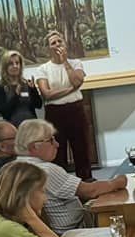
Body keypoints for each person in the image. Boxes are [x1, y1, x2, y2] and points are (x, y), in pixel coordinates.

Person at [15, 118, 124, 233]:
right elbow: (90, 191)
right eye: (51, 140)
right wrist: (117, 182)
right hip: (74, 232)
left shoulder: (14, 167)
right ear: (34, 147)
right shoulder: (46, 170)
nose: (57, 145)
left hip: (45, 233)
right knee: (120, 219)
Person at [34, 28, 96, 179]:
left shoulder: (76, 63)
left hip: (75, 109)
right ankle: (60, 181)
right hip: (55, 113)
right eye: (53, 43)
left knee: (81, 147)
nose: (57, 45)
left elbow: (77, 80)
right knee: (57, 150)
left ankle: (86, 180)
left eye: (59, 41)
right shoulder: (43, 69)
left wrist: (65, 63)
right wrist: (71, 88)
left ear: (65, 43)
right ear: (48, 48)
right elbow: (47, 94)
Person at [0, 52, 44, 128]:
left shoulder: (27, 83)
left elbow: (38, 105)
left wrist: (33, 90)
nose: (15, 66)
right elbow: (5, 113)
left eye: (17, 63)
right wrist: (16, 95)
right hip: (12, 127)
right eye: (11, 64)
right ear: (5, 67)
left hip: (31, 125)